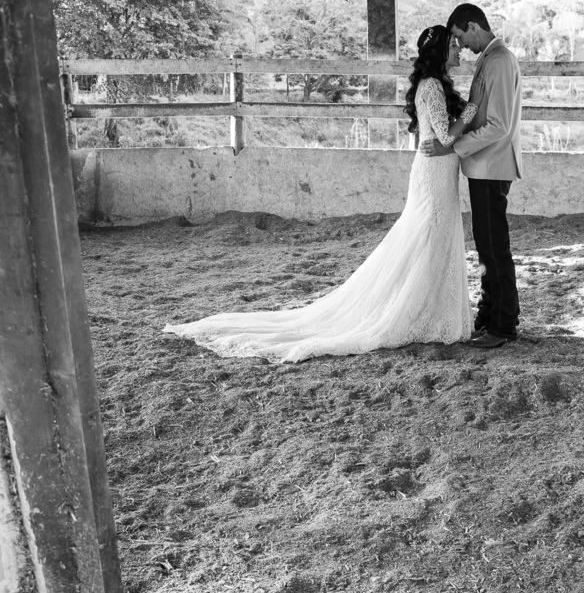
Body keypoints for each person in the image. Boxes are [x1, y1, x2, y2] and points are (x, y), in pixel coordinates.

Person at [164, 25, 476, 362]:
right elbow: (444, 138)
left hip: (438, 173)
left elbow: (437, 138)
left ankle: (431, 310)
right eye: (455, 46)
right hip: (434, 174)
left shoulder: (434, 86)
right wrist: (471, 111)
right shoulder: (431, 87)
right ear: (441, 50)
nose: (460, 50)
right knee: (426, 236)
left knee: (432, 237)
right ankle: (417, 311)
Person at [419, 3, 522, 349]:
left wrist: (455, 147)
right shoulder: (488, 60)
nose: (461, 45)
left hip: (491, 166)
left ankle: (504, 325)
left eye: (461, 37)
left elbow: (499, 125)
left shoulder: (500, 61)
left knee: (494, 247)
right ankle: (489, 315)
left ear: (474, 26)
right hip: (483, 166)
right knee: (486, 247)